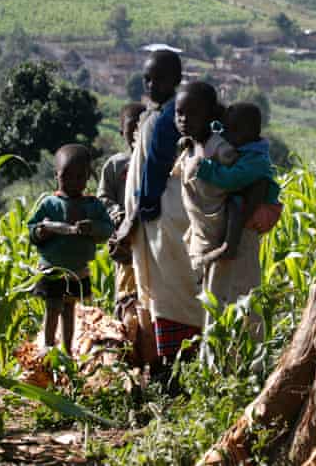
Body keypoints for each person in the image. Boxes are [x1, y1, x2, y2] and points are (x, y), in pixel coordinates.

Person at [174, 83, 281, 364]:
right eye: (179, 113)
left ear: (211, 115)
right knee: (215, 312)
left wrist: (231, 240)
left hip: (231, 244)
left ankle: (242, 374)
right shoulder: (190, 147)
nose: (184, 119)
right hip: (209, 243)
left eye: (192, 113)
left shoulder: (221, 150)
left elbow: (251, 184)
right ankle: (218, 373)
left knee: (238, 309)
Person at [119, 49, 201, 368]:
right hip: (153, 221)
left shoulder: (171, 116)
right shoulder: (159, 115)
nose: (152, 85)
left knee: (172, 291)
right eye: (147, 79)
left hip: (162, 218)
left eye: (160, 79)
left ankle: (177, 363)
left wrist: (134, 217)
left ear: (177, 80)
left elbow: (154, 170)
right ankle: (168, 361)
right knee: (162, 291)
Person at [28, 144, 113, 354]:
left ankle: (67, 351)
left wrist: (92, 228)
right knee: (53, 307)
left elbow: (107, 229)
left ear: (88, 177)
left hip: (77, 270)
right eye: (67, 176)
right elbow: (32, 230)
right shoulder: (49, 204)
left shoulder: (93, 206)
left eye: (80, 177)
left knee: (69, 309)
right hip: (53, 269)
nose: (74, 182)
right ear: (57, 175)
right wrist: (41, 231)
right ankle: (48, 347)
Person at [186, 101, 281, 274]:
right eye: (225, 129)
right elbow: (217, 128)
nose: (225, 135)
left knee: (235, 205)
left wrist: (205, 168)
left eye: (230, 130)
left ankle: (230, 245)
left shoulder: (256, 160)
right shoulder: (240, 140)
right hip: (252, 202)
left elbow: (231, 179)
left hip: (264, 211)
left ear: (248, 132)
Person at [97, 102, 146, 320]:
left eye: (141, 129)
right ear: (121, 132)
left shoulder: (158, 164)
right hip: (124, 240)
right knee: (127, 295)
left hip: (150, 240)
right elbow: (103, 197)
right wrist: (116, 212)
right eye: (131, 129)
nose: (136, 134)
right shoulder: (115, 165)